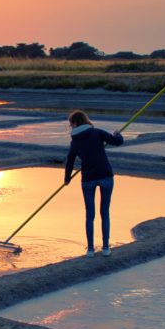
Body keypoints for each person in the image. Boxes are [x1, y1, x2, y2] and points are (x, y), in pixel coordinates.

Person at [64, 110, 123, 256]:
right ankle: (105, 248)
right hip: (105, 176)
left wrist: (67, 179)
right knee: (105, 213)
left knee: (90, 215)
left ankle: (90, 250)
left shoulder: (75, 141)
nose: (70, 126)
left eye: (71, 123)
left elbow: (70, 161)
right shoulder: (97, 132)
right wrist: (117, 134)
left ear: (76, 123)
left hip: (88, 179)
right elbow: (118, 141)